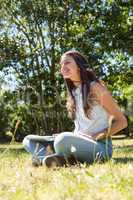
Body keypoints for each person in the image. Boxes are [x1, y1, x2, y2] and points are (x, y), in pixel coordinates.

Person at [23, 50, 127, 167]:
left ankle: (56, 159)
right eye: (61, 65)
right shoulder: (73, 93)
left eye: (67, 63)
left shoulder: (95, 88)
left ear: (79, 66)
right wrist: (73, 135)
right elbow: (82, 128)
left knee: (62, 140)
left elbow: (122, 121)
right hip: (76, 142)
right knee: (28, 140)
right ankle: (52, 160)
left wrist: (96, 136)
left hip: (99, 147)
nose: (63, 67)